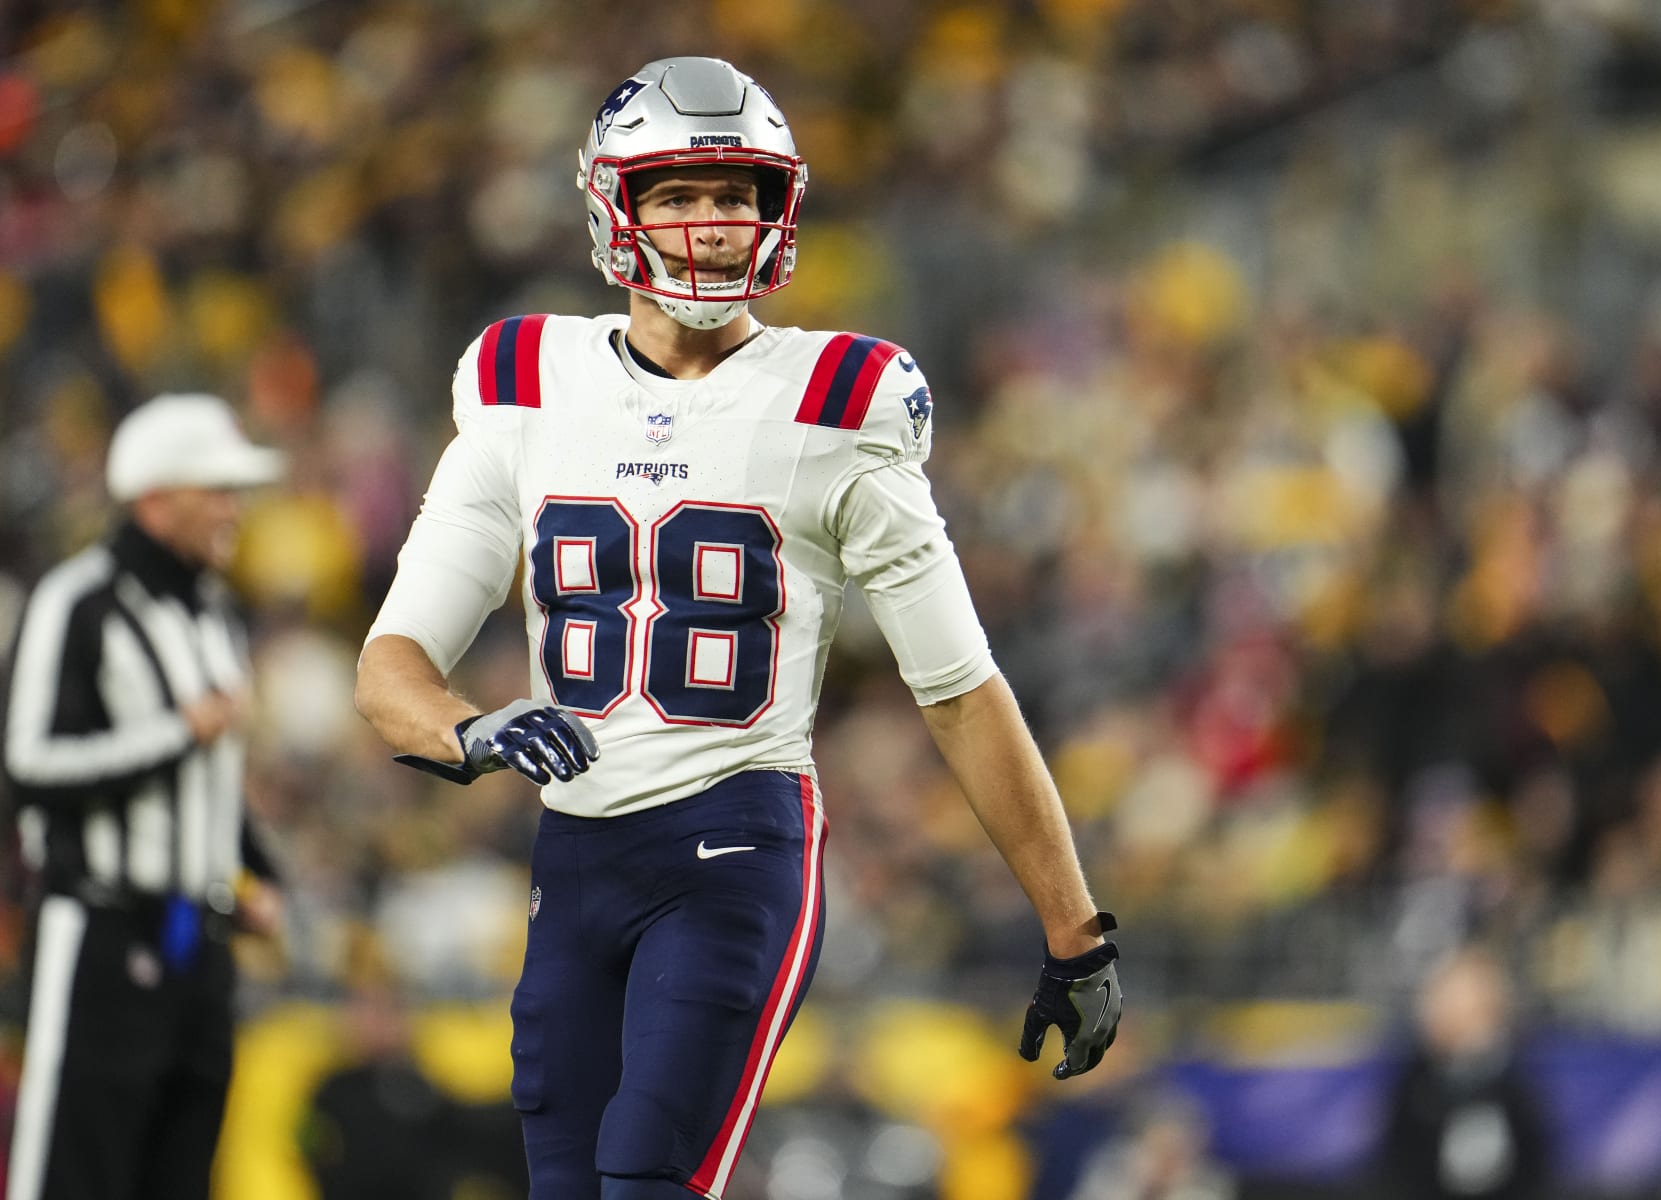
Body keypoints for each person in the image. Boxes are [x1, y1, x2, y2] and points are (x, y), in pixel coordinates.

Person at [354, 55, 1123, 1199]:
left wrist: (1077, 930)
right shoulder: (528, 384)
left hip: (735, 843)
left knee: (647, 1182)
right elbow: (393, 665)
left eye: (736, 195)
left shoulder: (836, 403)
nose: (714, 225)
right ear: (614, 205)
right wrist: (469, 733)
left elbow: (960, 691)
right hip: (575, 857)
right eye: (678, 195)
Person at [3, 392, 287, 1200]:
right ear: (157, 498)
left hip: (199, 944)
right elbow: (26, 766)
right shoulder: (77, 601)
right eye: (217, 492)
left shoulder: (212, 613)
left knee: (180, 1175)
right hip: (97, 931)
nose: (235, 511)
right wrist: (178, 730)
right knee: (72, 1173)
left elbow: (211, 785)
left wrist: (252, 874)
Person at [1377, 945, 1551, 1200]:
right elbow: (1400, 1165)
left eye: (1470, 1000)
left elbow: (1533, 1164)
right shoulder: (1415, 1086)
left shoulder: (1515, 1087)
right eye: (1448, 1000)